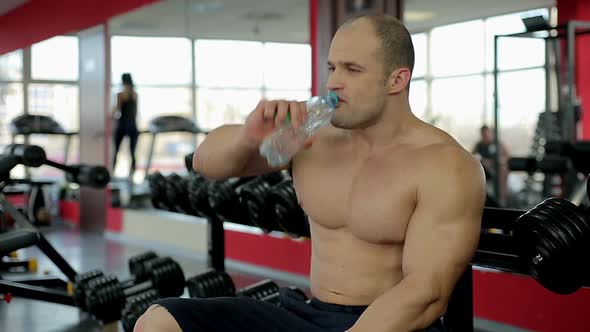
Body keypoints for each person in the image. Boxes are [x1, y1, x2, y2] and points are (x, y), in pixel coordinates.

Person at [135, 14, 486, 332]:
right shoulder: (311, 137)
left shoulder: (446, 165)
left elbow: (426, 292)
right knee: (158, 322)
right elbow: (205, 162)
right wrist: (249, 138)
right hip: (307, 312)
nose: (334, 81)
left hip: (391, 324)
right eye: (332, 68)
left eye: (352, 69)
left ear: (397, 79)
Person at [472, 125, 509, 204]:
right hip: (482, 169)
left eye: (487, 133)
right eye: (483, 134)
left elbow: (506, 156)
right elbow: (472, 155)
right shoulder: (479, 145)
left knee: (502, 169)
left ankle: (502, 198)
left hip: (496, 168)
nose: (485, 136)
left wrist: (496, 161)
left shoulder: (498, 144)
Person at [112, 73, 139, 176]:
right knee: (132, 152)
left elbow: (117, 110)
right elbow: (135, 112)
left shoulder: (121, 94)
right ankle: (132, 174)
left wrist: (111, 114)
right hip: (132, 125)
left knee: (116, 151)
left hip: (122, 124)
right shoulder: (135, 94)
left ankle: (112, 173)